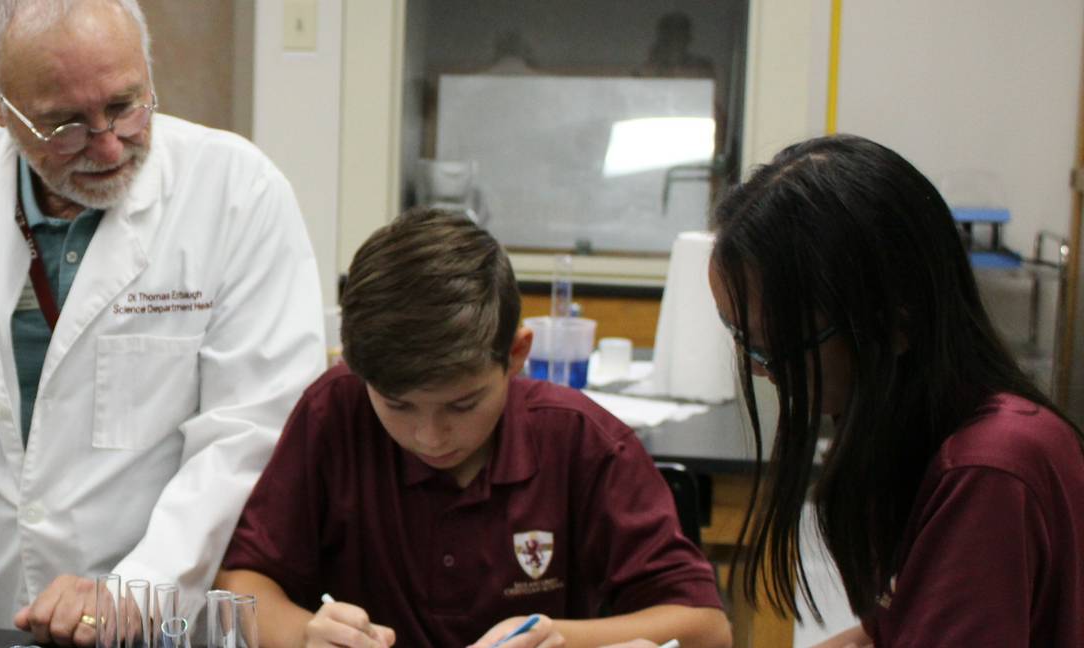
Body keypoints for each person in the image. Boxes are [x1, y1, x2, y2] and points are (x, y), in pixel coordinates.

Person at [0, 0, 325, 643]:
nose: (107, 143)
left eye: (127, 104)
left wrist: (140, 590)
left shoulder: (238, 192)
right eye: (65, 124)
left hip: (161, 615)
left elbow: (248, 431)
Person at [218, 209, 731, 648]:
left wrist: (556, 638)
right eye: (397, 405)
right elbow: (245, 582)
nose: (430, 437)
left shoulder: (581, 442)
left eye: (462, 406)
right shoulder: (333, 414)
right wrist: (306, 633)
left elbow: (707, 627)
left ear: (516, 355)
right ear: (355, 368)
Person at [711, 135, 1084, 647]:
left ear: (893, 326)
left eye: (777, 349)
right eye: (744, 342)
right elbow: (884, 634)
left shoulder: (988, 470)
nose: (761, 371)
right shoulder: (913, 435)